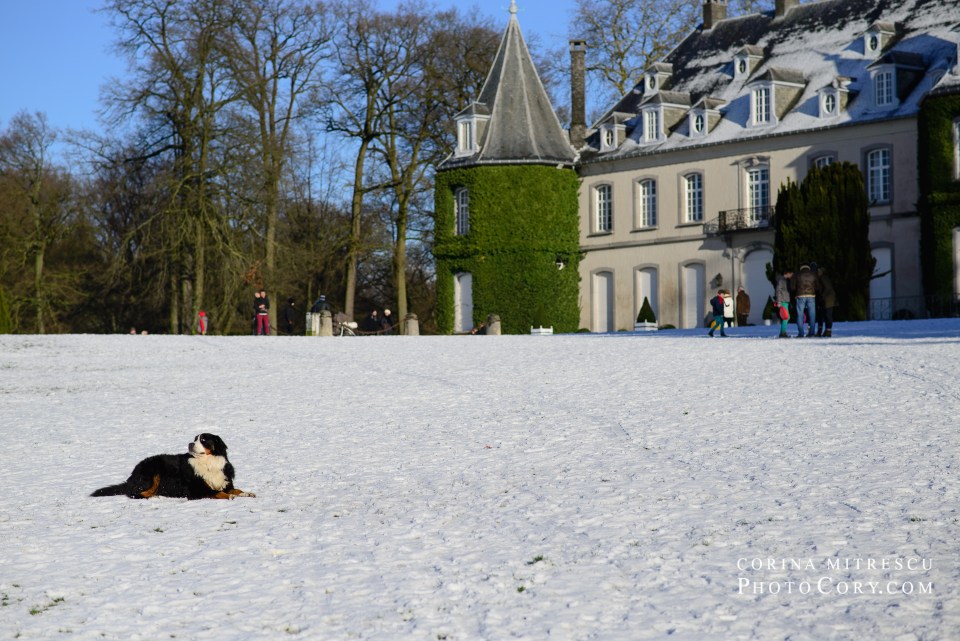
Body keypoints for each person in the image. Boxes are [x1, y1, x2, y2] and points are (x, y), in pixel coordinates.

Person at [793, 264, 818, 337]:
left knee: (800, 315)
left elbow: (792, 286)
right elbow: (817, 286)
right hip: (811, 295)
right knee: (812, 315)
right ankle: (812, 333)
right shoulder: (813, 274)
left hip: (800, 295)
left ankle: (801, 333)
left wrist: (796, 292)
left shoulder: (797, 274)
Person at [815, 266, 837, 337]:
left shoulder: (823, 278)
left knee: (827, 315)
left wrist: (822, 296)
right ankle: (826, 330)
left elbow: (828, 288)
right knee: (823, 315)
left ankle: (828, 331)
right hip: (826, 299)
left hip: (828, 299)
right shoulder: (823, 278)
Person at [774, 270, 793, 338]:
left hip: (785, 300)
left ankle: (782, 332)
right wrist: (779, 302)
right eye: (791, 274)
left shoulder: (785, 280)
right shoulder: (781, 280)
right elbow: (778, 291)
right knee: (786, 317)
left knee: (786, 317)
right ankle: (782, 333)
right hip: (783, 301)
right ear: (787, 273)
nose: (792, 275)